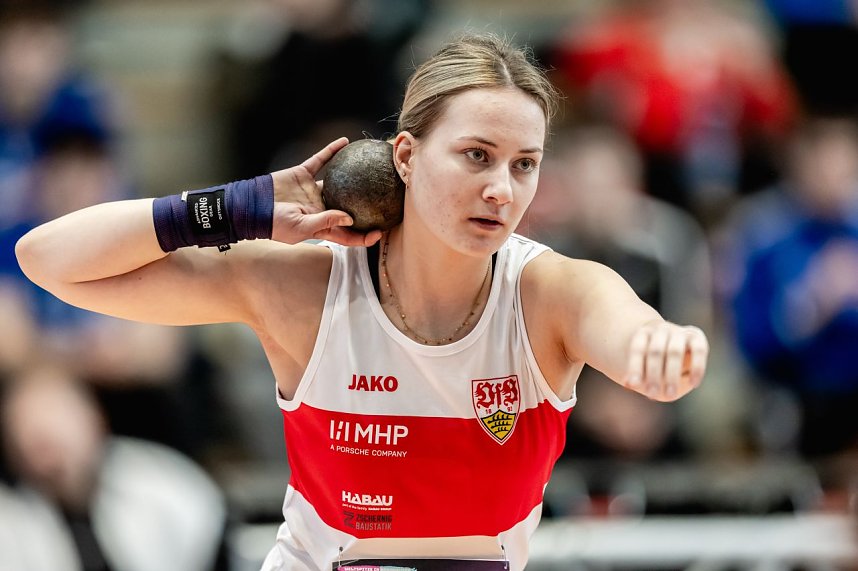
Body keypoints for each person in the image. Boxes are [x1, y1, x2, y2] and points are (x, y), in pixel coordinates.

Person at [16, 33, 709, 571]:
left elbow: (623, 324)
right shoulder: (307, 285)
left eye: (523, 163)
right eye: (476, 154)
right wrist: (239, 207)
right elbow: (46, 260)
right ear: (405, 157)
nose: (503, 187)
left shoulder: (549, 293)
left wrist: (651, 348)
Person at [0, 364, 226, 571]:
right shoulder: (11, 518)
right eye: (34, 439)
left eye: (56, 433)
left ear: (94, 419)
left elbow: (207, 533)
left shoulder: (158, 480)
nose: (51, 459)